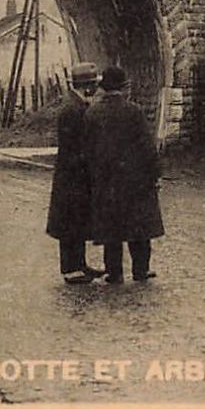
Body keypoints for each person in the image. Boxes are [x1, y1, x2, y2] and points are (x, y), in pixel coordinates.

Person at [85, 65, 165, 283]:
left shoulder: (93, 113)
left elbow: (88, 150)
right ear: (123, 87)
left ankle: (114, 272)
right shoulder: (133, 111)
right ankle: (141, 270)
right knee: (138, 228)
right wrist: (155, 174)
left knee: (112, 229)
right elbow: (147, 147)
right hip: (135, 181)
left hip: (106, 181)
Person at [46, 61, 102, 284]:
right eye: (93, 85)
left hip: (74, 173)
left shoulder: (76, 105)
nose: (96, 90)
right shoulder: (73, 110)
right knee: (70, 221)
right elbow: (74, 146)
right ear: (87, 86)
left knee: (77, 219)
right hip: (72, 175)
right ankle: (70, 269)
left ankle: (79, 264)